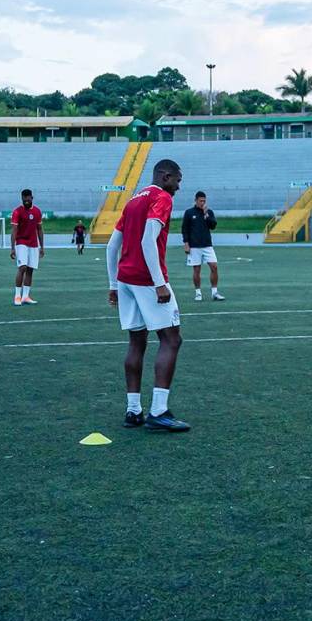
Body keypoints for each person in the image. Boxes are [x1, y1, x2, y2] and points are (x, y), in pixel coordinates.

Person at [106, 159, 189, 432]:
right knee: (171, 339)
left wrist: (113, 285)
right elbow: (147, 240)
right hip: (147, 280)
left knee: (136, 342)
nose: (179, 184)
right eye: (177, 179)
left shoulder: (133, 200)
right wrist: (159, 283)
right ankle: (158, 411)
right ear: (165, 177)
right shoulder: (161, 197)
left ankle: (133, 411)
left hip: (126, 279)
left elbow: (111, 245)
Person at [182, 191, 223, 302]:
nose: (203, 203)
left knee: (214, 267)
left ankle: (214, 293)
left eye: (204, 201)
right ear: (195, 200)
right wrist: (186, 243)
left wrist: (206, 214)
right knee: (197, 270)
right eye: (201, 201)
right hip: (194, 246)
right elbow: (184, 229)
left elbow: (213, 226)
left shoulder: (208, 212)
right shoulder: (189, 213)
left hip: (207, 245)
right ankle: (198, 293)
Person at [9, 189, 44, 306]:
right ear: (22, 199)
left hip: (34, 244)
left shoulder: (37, 211)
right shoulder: (17, 212)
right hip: (21, 243)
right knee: (22, 267)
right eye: (24, 200)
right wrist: (12, 247)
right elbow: (14, 230)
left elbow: (39, 229)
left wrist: (42, 246)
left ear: (32, 198)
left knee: (30, 270)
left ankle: (26, 296)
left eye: (28, 200)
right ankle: (17, 296)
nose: (26, 202)